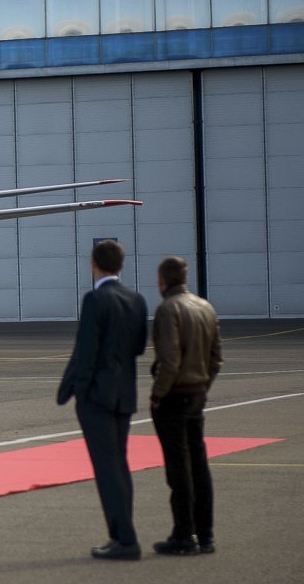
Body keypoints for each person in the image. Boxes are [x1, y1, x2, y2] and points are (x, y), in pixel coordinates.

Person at [57, 239, 148, 561]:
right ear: (120, 265)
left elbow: (85, 351)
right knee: (120, 465)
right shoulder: (136, 299)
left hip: (98, 396)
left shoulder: (96, 299)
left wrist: (80, 391)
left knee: (107, 469)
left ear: (94, 264)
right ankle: (122, 533)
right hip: (124, 394)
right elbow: (138, 347)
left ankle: (124, 539)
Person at [149, 256, 222, 556]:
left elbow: (169, 361)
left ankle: (182, 535)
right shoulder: (205, 307)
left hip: (175, 396)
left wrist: (157, 394)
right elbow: (216, 357)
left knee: (178, 468)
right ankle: (205, 534)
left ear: (163, 280)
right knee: (199, 464)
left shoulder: (168, 309)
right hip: (197, 394)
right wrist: (203, 385)